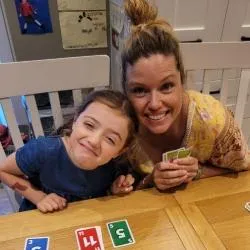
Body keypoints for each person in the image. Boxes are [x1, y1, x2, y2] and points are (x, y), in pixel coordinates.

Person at [121, 0, 250, 191]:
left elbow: (244, 170)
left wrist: (197, 171)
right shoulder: (118, 126)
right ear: (125, 90)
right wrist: (150, 181)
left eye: (166, 86)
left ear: (182, 81)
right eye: (139, 90)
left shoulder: (213, 121)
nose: (155, 104)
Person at [0, 90, 138, 212]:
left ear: (119, 151)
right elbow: (3, 170)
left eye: (110, 139)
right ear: (75, 120)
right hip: (39, 223)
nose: (94, 141)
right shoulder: (43, 151)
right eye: (89, 125)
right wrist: (39, 198)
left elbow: (102, 196)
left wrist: (114, 189)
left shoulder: (113, 167)